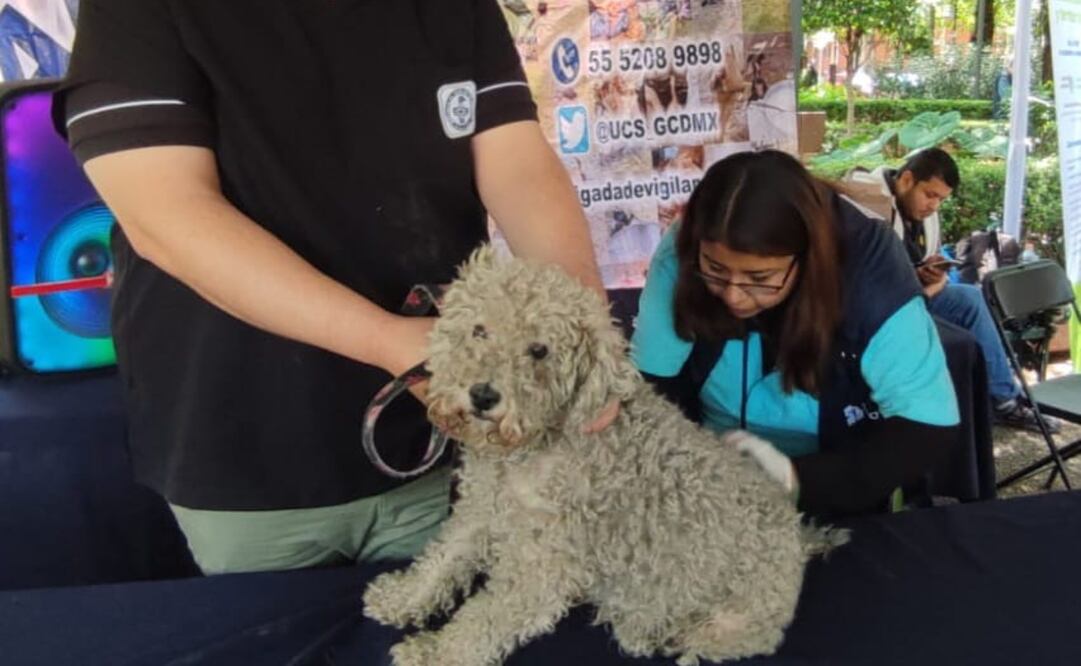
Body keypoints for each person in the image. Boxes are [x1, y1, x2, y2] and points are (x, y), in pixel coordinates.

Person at [53, 0, 611, 575]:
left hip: (437, 435)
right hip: (246, 438)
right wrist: (392, 344)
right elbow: (166, 215)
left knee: (446, 626)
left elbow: (516, 161)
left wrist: (582, 327)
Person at [632, 150, 960, 518]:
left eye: (760, 278)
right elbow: (653, 387)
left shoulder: (872, 275)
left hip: (842, 482)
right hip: (709, 479)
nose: (734, 296)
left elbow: (927, 427)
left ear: (808, 258)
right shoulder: (684, 247)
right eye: (715, 270)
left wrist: (795, 480)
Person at [850, 148, 1054, 432]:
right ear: (907, 180)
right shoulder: (865, 202)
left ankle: (1003, 396)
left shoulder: (922, 212)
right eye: (930, 195)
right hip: (876, 306)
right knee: (962, 319)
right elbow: (866, 277)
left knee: (970, 298)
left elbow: (918, 263)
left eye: (941, 199)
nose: (934, 206)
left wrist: (932, 273)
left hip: (913, 294)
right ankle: (1003, 399)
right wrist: (919, 282)